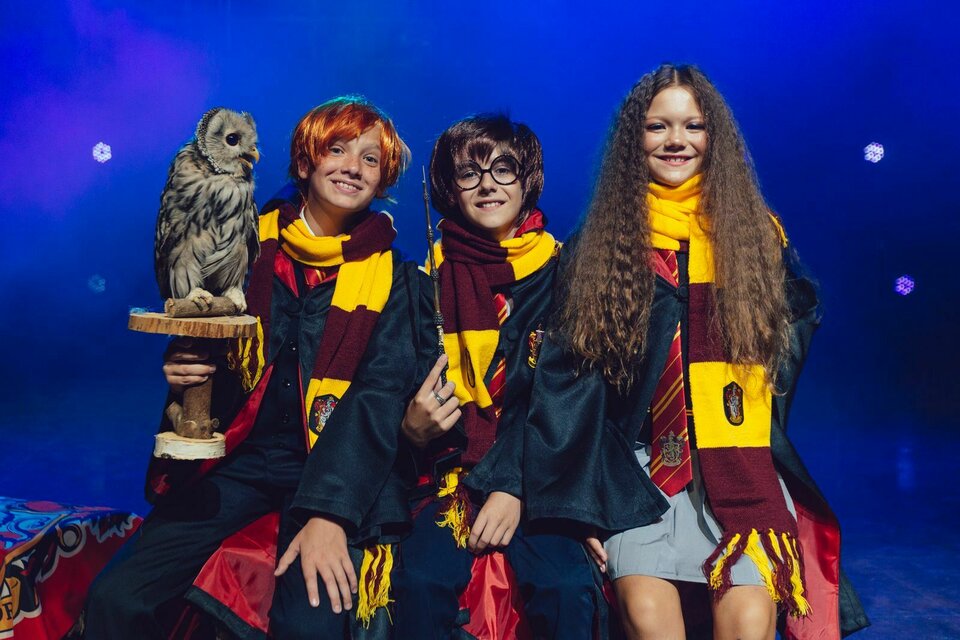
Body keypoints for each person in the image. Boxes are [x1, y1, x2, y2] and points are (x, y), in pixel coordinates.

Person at [522, 65, 870, 639]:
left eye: (693, 125)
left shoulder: (755, 239)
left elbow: (787, 343)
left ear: (715, 137)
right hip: (637, 474)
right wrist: (579, 501)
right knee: (648, 620)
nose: (676, 140)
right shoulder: (600, 245)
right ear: (634, 139)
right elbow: (569, 386)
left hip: (735, 468)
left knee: (750, 624)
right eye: (657, 126)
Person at [84, 95, 431, 639]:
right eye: (337, 150)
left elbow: (378, 399)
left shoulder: (396, 278)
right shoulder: (250, 238)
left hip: (327, 470)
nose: (353, 167)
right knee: (118, 597)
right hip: (238, 456)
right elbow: (203, 329)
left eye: (370, 159)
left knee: (311, 625)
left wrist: (329, 515)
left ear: (382, 178)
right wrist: (184, 368)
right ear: (305, 162)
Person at [392, 114, 602, 639]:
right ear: (450, 188)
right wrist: (410, 429)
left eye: (503, 169)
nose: (487, 184)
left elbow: (571, 402)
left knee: (566, 587)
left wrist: (515, 487)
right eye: (469, 172)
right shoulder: (422, 281)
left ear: (528, 179)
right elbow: (396, 384)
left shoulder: (567, 273)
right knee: (417, 582)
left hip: (539, 478)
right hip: (449, 480)